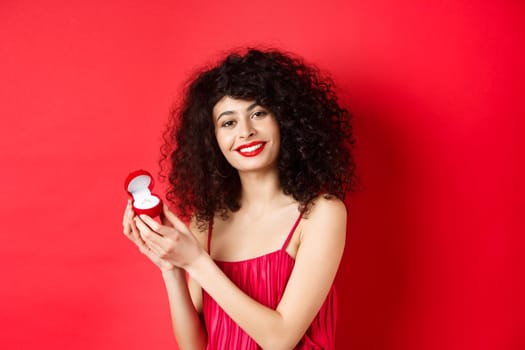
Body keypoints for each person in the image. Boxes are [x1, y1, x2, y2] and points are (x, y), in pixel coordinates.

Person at [122, 48, 355, 349]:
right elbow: (194, 346)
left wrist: (195, 260)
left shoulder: (321, 213)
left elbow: (280, 339)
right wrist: (172, 268)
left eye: (258, 114)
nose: (245, 132)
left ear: (284, 120)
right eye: (228, 123)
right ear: (213, 139)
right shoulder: (206, 222)